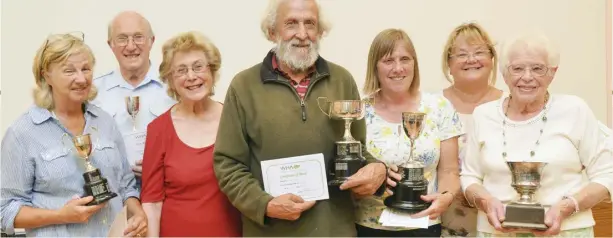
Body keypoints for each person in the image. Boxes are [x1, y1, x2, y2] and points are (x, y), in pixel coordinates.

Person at [213, 0, 387, 236]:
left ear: (320, 32)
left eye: (310, 24)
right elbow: (228, 164)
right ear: (272, 31)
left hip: (334, 230)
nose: (302, 34)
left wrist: (375, 168)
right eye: (291, 23)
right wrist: (264, 205)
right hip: (271, 232)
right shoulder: (243, 86)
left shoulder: (342, 80)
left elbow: (357, 149)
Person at [460, 32, 613, 237]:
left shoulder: (575, 109)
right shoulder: (483, 115)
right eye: (517, 68)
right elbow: (470, 176)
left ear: (552, 73)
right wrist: (486, 202)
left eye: (538, 68)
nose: (527, 77)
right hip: (496, 233)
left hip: (567, 231)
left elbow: (607, 174)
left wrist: (567, 207)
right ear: (505, 74)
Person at [0, 33, 147, 237]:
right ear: (46, 76)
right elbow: (5, 211)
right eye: (69, 71)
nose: (81, 78)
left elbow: (126, 185)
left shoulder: (105, 122)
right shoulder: (22, 133)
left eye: (86, 69)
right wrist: (62, 215)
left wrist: (138, 214)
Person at [355, 28, 462, 237]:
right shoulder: (359, 111)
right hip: (370, 228)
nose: (398, 68)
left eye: (405, 59)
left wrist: (446, 197)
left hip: (425, 226)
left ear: (414, 64)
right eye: (388, 61)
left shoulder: (439, 108)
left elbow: (449, 171)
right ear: (374, 67)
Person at [140, 31, 242, 237]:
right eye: (181, 70)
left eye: (198, 67)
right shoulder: (158, 129)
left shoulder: (236, 119)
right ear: (170, 80)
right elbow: (152, 203)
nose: (191, 76)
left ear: (212, 71)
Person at [92, 11, 175, 187]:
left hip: (167, 192)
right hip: (115, 194)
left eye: (138, 37)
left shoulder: (174, 87)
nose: (131, 46)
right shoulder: (92, 92)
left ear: (152, 41)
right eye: (122, 38)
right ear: (111, 44)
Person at [439, 22, 503, 237]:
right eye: (461, 54)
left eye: (479, 52)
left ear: (492, 59)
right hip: (443, 222)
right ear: (449, 63)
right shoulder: (434, 107)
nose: (471, 60)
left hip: (500, 222)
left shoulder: (510, 106)